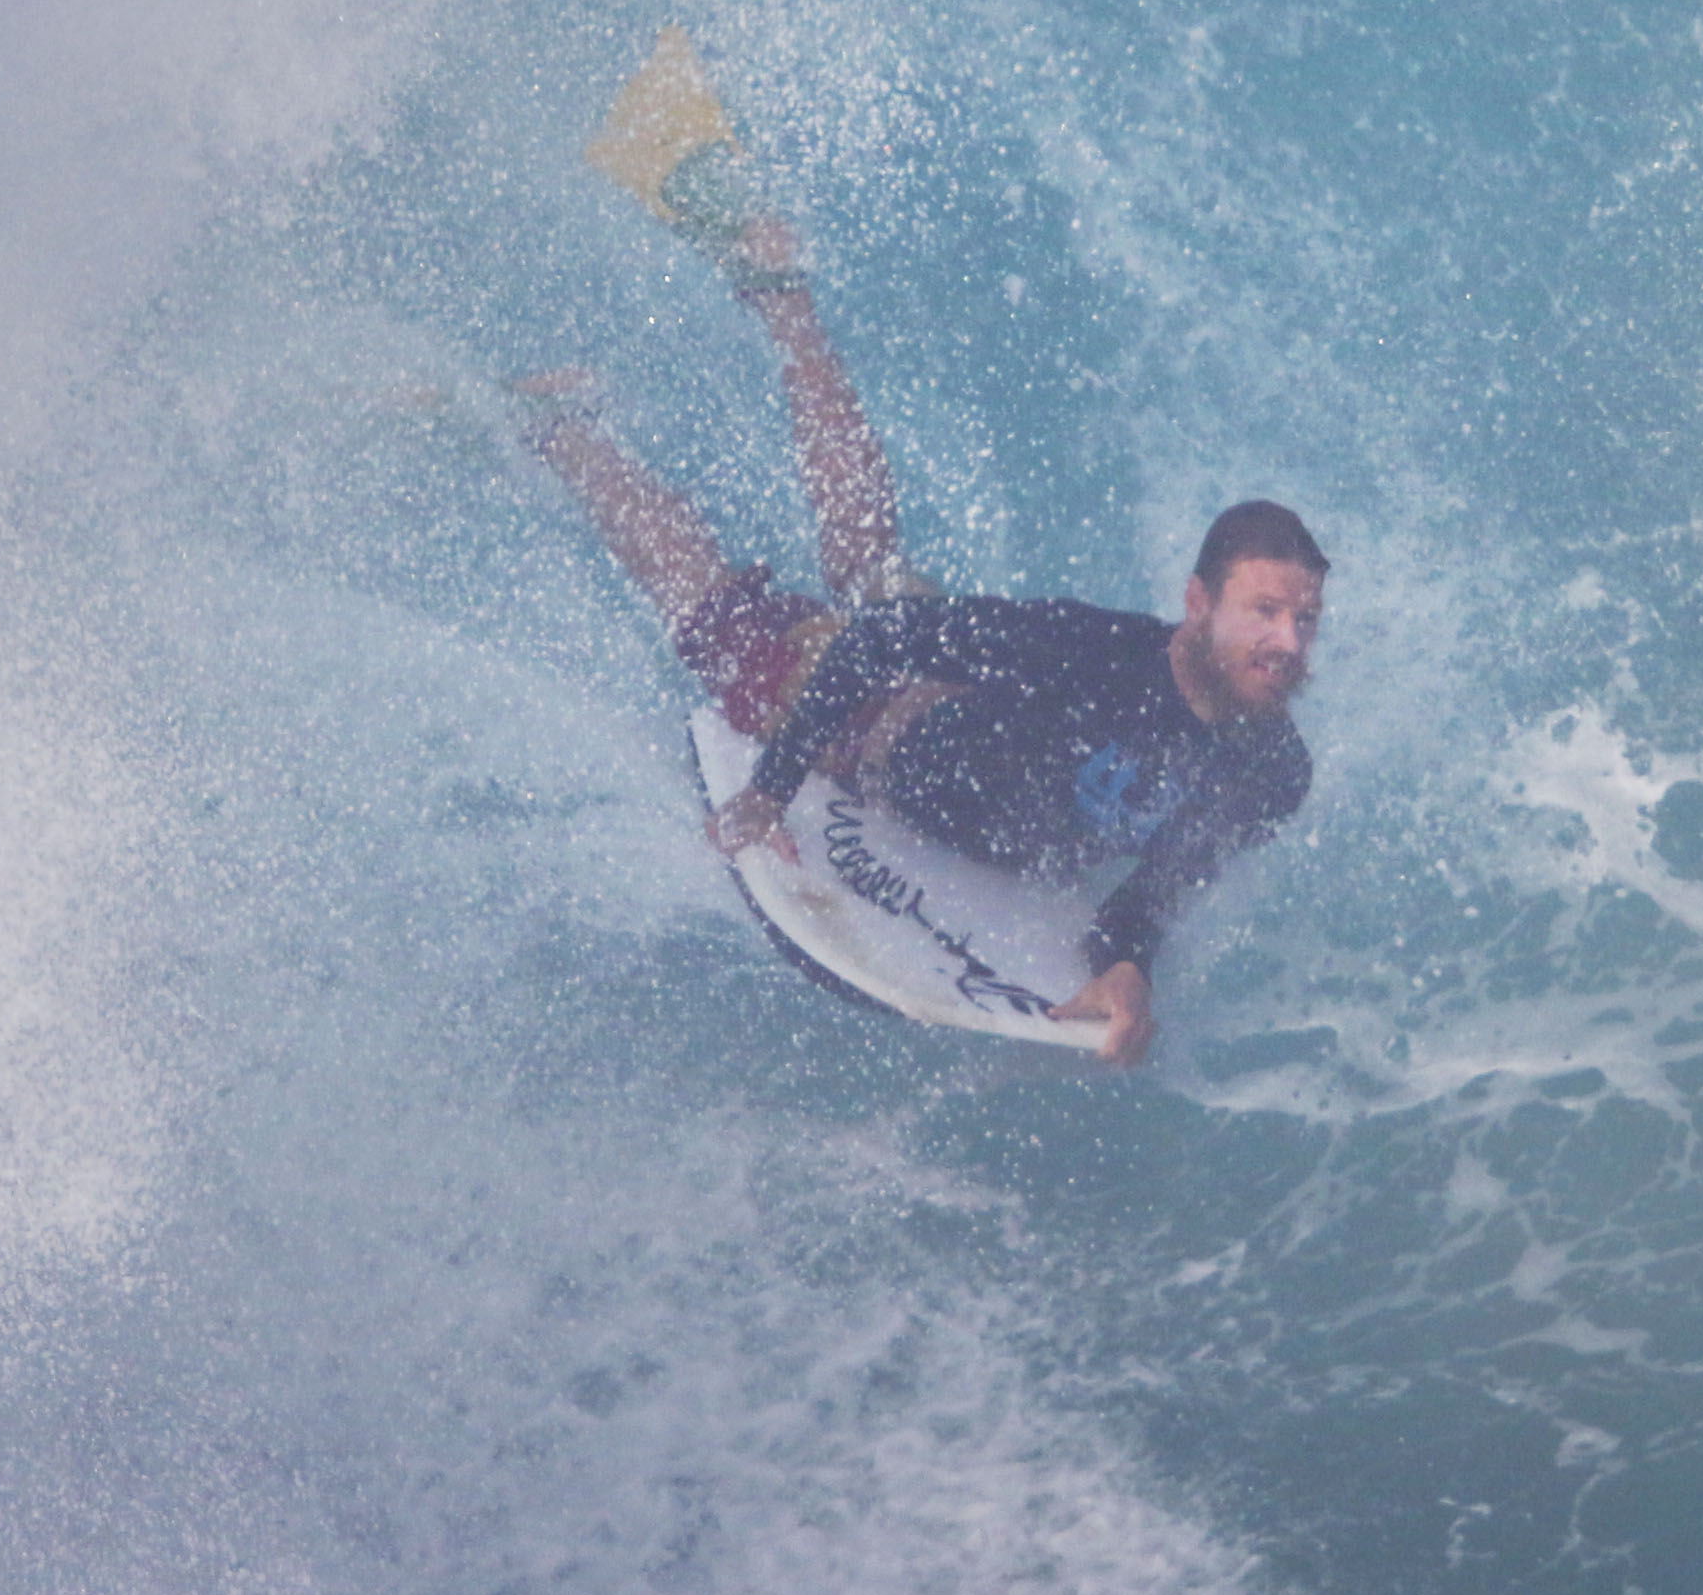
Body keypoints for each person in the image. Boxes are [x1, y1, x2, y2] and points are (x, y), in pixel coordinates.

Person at [516, 227, 1324, 1068]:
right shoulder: (1088, 651)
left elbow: (1157, 888)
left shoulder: (1270, 769)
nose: (1287, 642)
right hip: (876, 722)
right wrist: (772, 786)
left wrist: (1127, 963)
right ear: (1198, 604)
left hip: (968, 716)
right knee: (726, 619)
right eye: (1263, 612)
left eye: (1305, 620)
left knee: (873, 565)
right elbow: (878, 644)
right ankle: (561, 428)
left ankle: (780, 291)